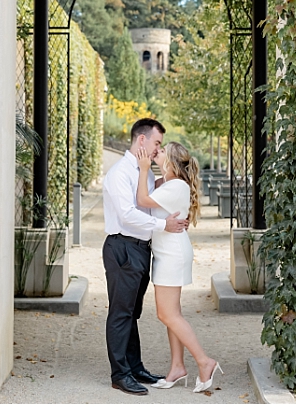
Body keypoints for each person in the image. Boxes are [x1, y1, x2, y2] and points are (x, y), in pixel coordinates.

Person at [102, 118, 187, 396]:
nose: (157, 149)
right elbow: (128, 214)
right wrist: (164, 225)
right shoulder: (119, 173)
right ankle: (120, 374)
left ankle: (135, 367)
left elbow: (151, 203)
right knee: (120, 312)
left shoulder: (144, 171)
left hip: (140, 249)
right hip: (123, 247)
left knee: (132, 313)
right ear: (142, 140)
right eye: (157, 143)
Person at [136, 141, 222, 393]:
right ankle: (177, 367)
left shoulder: (175, 186)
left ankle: (204, 362)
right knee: (172, 314)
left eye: (162, 151)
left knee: (167, 314)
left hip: (171, 254)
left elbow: (142, 199)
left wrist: (143, 169)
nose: (156, 152)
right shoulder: (169, 184)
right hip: (168, 252)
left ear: (172, 162)